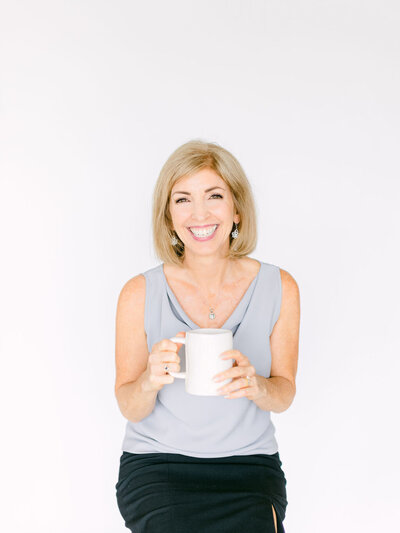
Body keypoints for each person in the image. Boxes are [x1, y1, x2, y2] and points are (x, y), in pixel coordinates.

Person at [114, 139, 300, 533]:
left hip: (249, 467)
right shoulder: (138, 293)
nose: (199, 213)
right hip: (158, 466)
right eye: (183, 199)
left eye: (214, 196)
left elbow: (283, 393)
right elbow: (129, 406)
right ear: (168, 216)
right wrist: (149, 381)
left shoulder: (280, 286)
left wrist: (256, 386)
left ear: (236, 209)